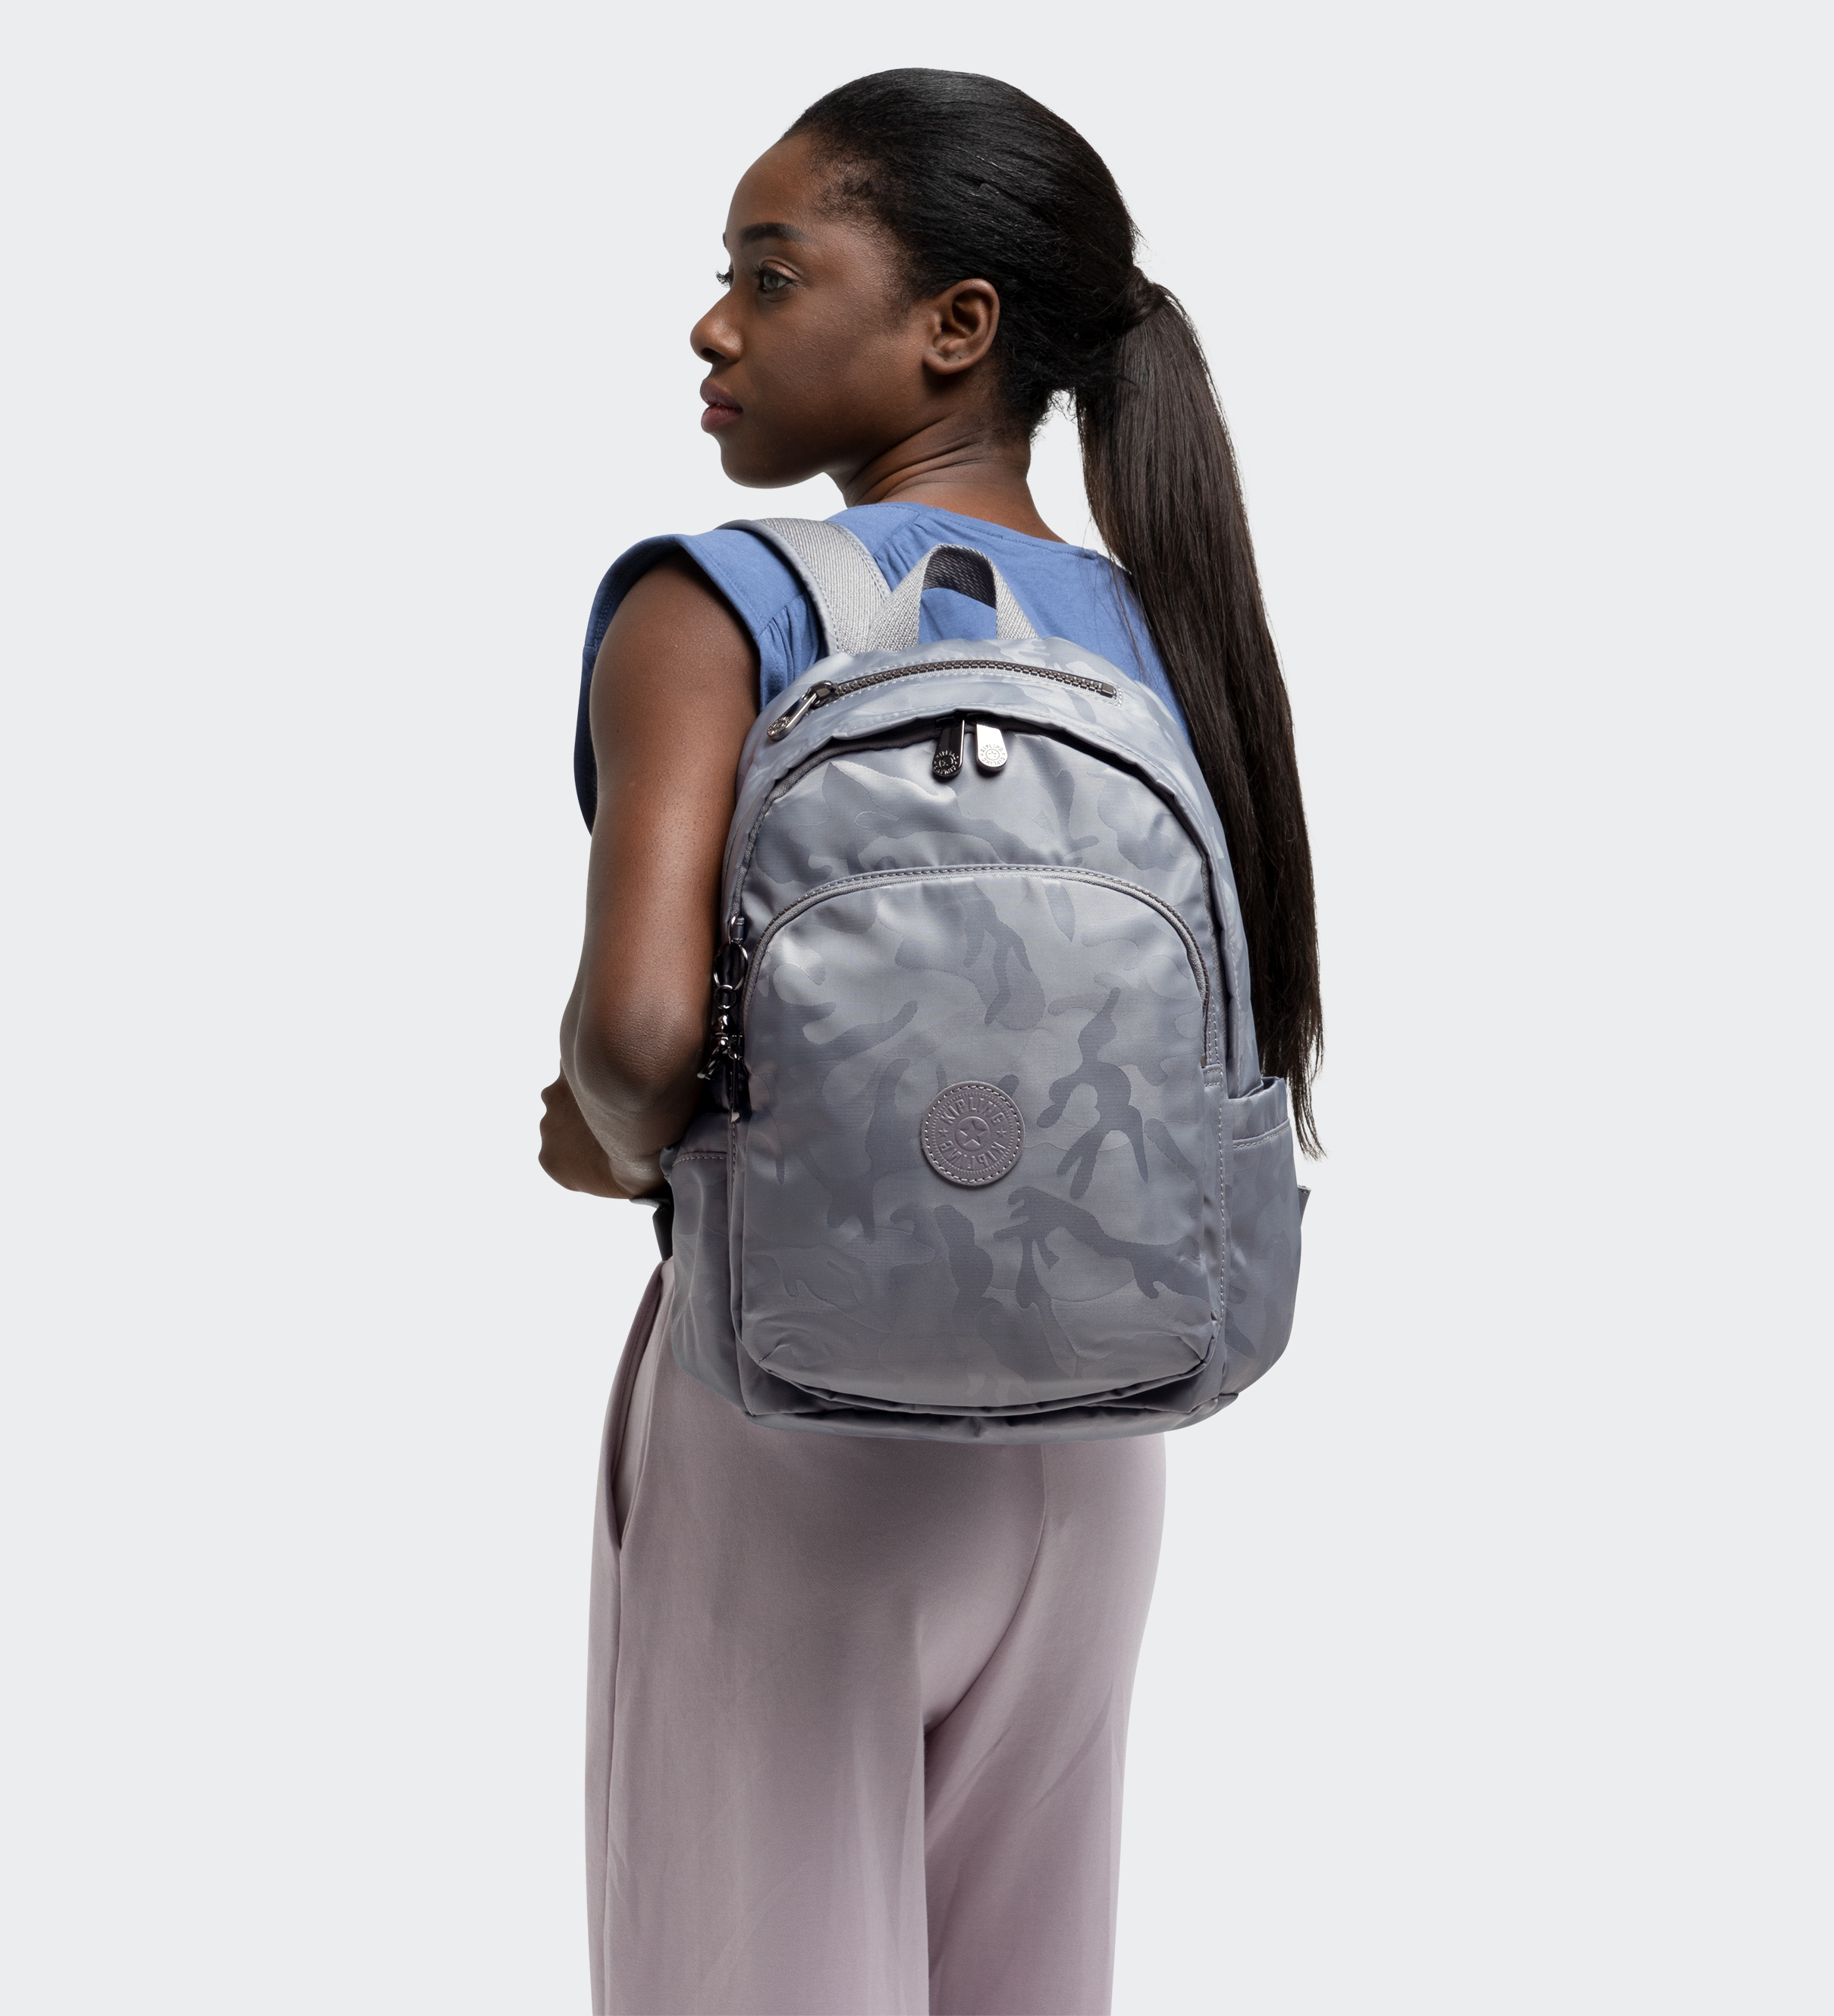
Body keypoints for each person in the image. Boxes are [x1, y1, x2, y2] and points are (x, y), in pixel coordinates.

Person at [538, 69, 1321, 2016]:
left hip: (794, 1426)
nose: (713, 325)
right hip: (1099, 1440)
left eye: (770, 273)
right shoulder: (1170, 626)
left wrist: (604, 1140)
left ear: (954, 327)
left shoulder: (719, 605)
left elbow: (639, 1037)